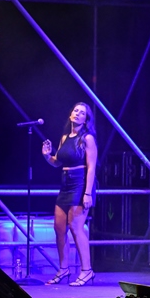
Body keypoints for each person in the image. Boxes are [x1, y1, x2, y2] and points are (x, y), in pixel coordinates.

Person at [42, 102, 97, 287]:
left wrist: (87, 193)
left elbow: (91, 168)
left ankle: (87, 271)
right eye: (76, 111)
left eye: (82, 113)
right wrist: (47, 156)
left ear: (86, 119)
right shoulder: (65, 137)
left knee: (76, 226)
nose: (78, 114)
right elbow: (57, 162)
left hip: (80, 183)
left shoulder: (87, 138)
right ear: (70, 114)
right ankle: (63, 269)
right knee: (59, 228)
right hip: (65, 184)